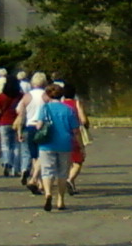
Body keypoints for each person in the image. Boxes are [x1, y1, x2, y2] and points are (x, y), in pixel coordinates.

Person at [34, 82, 78, 211]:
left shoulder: (45, 108)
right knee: (63, 173)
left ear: (48, 95)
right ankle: (61, 200)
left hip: (47, 143)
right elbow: (75, 130)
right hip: (64, 143)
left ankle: (48, 193)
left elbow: (39, 125)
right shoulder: (68, 109)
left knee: (47, 170)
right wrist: (80, 145)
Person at [62, 82, 90, 193]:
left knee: (66, 160)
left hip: (62, 134)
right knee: (78, 160)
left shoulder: (61, 104)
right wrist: (86, 125)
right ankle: (70, 179)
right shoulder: (76, 103)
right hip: (74, 133)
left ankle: (70, 183)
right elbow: (83, 120)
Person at [0, 76, 21, 177]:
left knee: (6, 145)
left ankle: (7, 162)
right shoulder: (20, 95)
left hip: (4, 122)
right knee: (16, 146)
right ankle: (16, 168)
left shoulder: (1, 96)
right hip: (17, 122)